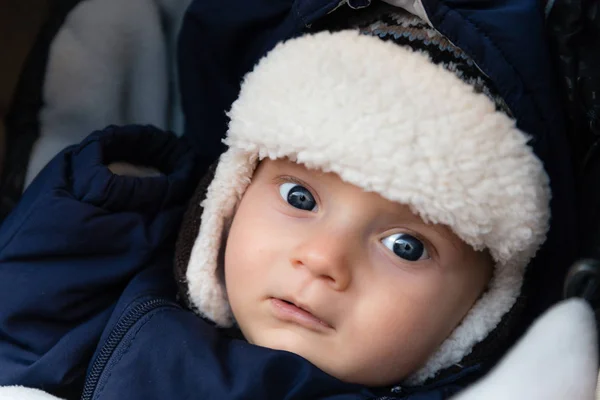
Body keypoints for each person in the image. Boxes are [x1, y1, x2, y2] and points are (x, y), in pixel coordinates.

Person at [0, 4, 577, 400]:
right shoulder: (126, 290)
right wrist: (103, 201)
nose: (322, 259)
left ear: (479, 311)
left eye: (407, 246)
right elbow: (18, 337)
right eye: (300, 197)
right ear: (229, 194)